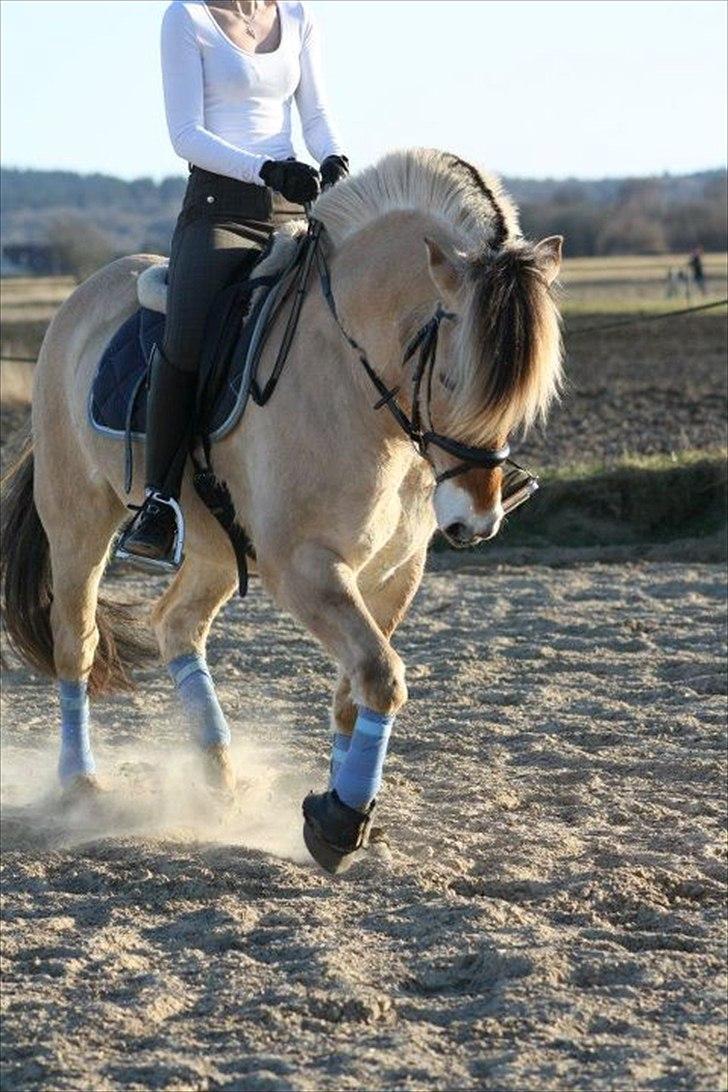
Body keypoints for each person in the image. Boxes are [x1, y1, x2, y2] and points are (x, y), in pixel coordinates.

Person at [118, 0, 349, 568]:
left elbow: (315, 113)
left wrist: (334, 156)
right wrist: (264, 169)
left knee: (362, 307)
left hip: (297, 202)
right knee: (189, 338)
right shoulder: (187, 17)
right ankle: (160, 502)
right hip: (221, 209)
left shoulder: (298, 16)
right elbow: (186, 134)